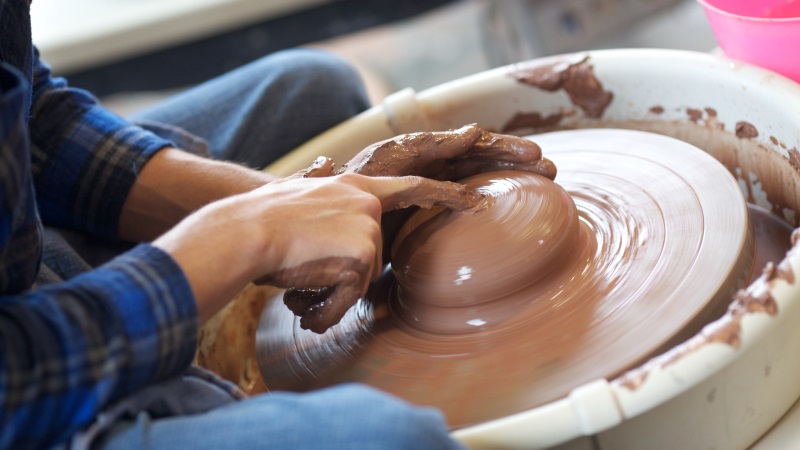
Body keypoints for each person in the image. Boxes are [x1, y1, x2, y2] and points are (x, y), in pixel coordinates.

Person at [0, 1, 552, 449]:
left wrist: (296, 200)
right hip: (33, 381)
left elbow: (36, 121)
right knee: (388, 441)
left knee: (314, 88)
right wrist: (246, 233)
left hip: (24, 251)